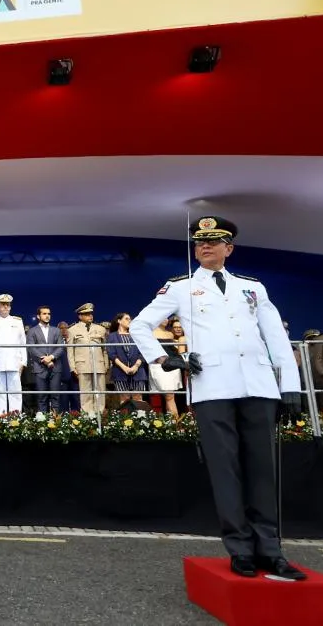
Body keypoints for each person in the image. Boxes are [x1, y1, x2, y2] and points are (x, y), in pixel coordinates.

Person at [129, 216, 305, 580]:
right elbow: (139, 325)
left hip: (257, 386)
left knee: (262, 471)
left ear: (229, 248)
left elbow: (275, 337)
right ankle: (239, 549)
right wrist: (166, 358)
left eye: (214, 241)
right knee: (225, 471)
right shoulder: (180, 288)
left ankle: (270, 550)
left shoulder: (253, 287)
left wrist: (290, 384)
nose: (205, 247)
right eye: (200, 243)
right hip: (212, 388)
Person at [0, 294, 27, 415]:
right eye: (3, 305)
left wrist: (23, 362)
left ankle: (15, 418)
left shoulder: (17, 321)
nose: (5, 307)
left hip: (14, 362)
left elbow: (22, 343)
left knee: (16, 392)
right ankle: (1, 417)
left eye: (8, 305)